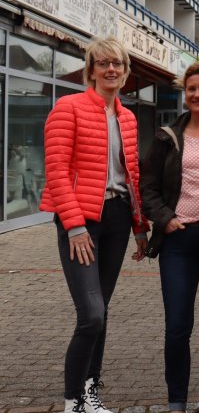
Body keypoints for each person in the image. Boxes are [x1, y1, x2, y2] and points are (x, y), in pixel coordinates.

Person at [40, 37, 149, 413]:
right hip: (81, 219)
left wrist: (139, 225)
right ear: (91, 69)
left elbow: (131, 174)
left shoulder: (128, 117)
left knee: (103, 308)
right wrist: (73, 226)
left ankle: (90, 394)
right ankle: (73, 401)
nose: (111, 69)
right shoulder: (67, 108)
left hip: (118, 218)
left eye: (117, 63)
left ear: (125, 71)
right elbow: (55, 171)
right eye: (103, 63)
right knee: (91, 314)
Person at [141, 61, 199, 413]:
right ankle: (176, 400)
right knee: (178, 323)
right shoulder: (168, 136)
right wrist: (164, 219)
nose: (197, 94)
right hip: (180, 240)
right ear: (186, 94)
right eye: (191, 89)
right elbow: (148, 186)